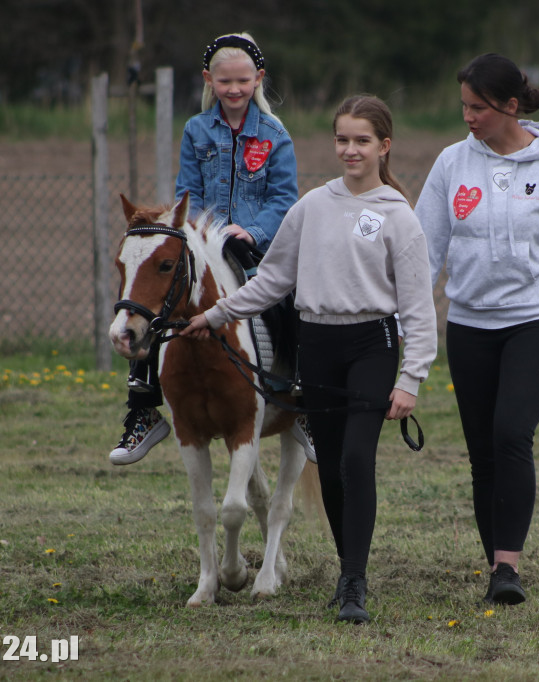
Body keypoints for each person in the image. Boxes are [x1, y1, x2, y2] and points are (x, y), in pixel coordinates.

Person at [179, 95, 437, 624]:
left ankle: (354, 585)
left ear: (383, 146)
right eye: (342, 139)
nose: (350, 150)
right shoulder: (312, 206)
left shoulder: (399, 218)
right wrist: (214, 315)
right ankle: (348, 569)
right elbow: (273, 280)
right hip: (317, 344)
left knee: (355, 460)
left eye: (362, 140)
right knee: (333, 467)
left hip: (372, 346)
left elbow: (417, 308)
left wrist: (411, 379)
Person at [414, 53, 539, 605]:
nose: (469, 117)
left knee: (510, 433)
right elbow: (425, 253)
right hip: (470, 324)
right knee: (482, 452)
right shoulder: (451, 164)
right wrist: (405, 323)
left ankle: (509, 568)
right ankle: (496, 566)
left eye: (479, 107)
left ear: (510, 106)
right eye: (464, 106)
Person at [110, 32, 299, 466]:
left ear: (259, 79)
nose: (234, 89)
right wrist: (195, 231)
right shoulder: (196, 130)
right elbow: (187, 192)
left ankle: (298, 390)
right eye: (224, 81)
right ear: (207, 80)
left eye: (243, 81)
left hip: (255, 245)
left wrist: (250, 231)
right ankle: (143, 407)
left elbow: (284, 199)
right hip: (204, 244)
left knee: (295, 297)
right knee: (160, 302)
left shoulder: (275, 135)